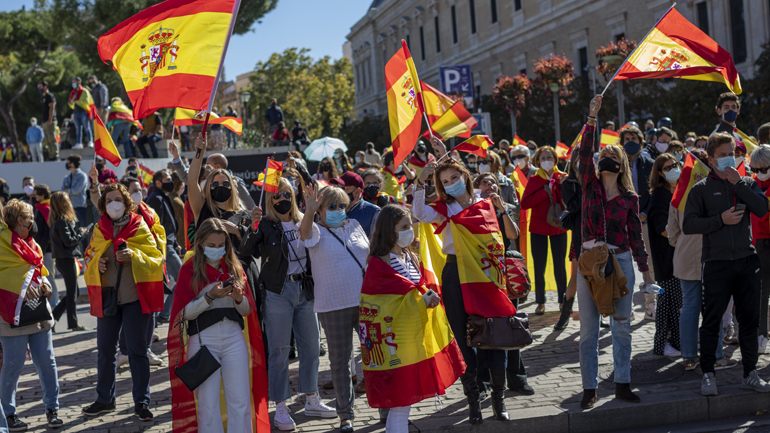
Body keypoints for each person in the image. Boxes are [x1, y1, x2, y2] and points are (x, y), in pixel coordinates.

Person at [413, 147, 514, 425]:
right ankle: (473, 400)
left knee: (493, 333)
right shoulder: (444, 208)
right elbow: (419, 213)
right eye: (444, 182)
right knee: (461, 334)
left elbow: (507, 235)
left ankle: (498, 398)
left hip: (487, 272)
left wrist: (501, 207)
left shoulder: (486, 200)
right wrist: (421, 182)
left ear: (465, 176)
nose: (450, 184)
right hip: (456, 272)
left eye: (454, 177)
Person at [576, 95, 653, 409]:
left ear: (621, 164)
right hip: (590, 263)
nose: (605, 157)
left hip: (620, 261)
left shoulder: (629, 199)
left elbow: (637, 238)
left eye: (612, 154)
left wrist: (646, 274)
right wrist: (592, 118)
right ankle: (589, 388)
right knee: (588, 331)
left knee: (621, 327)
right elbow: (583, 154)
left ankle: (622, 383)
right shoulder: (588, 186)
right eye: (602, 153)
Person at [241, 178, 336, 430]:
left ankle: (311, 398)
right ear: (269, 199)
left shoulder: (304, 218)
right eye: (275, 195)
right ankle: (280, 406)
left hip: (305, 290)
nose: (280, 199)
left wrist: (313, 210)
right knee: (279, 351)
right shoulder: (266, 225)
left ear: (292, 194)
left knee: (312, 348)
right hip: (278, 292)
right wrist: (252, 225)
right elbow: (247, 251)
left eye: (285, 193)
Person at [361, 204, 465, 433]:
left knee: (403, 402)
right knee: (400, 401)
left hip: (413, 337)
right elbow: (381, 304)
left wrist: (426, 297)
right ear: (390, 230)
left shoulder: (408, 255)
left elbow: (413, 290)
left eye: (411, 225)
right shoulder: (380, 263)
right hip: (395, 342)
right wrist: (422, 300)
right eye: (404, 227)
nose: (411, 230)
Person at [683, 132, 770, 395]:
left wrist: (739, 185)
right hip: (716, 263)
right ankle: (708, 373)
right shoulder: (701, 189)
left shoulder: (746, 182)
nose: (727, 160)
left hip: (746, 261)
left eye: (731, 154)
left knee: (749, 321)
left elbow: (762, 209)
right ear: (710, 159)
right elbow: (689, 225)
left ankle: (750, 373)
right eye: (721, 156)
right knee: (711, 321)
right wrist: (720, 219)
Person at [168, 218, 269, 433]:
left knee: (240, 401)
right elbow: (182, 314)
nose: (217, 250)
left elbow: (247, 311)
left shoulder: (235, 266)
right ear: (201, 243)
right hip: (204, 342)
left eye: (221, 245)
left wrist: (239, 298)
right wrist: (209, 297)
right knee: (207, 405)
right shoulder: (189, 269)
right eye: (211, 246)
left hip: (234, 338)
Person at [80, 183, 165, 420]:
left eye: (117, 199)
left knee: (137, 351)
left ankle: (142, 402)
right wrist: (96, 263)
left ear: (126, 203)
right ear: (103, 205)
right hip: (109, 298)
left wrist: (134, 255)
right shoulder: (99, 228)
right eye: (108, 200)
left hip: (135, 298)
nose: (113, 204)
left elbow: (156, 257)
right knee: (106, 351)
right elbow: (87, 257)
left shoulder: (139, 225)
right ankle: (105, 399)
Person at [299, 184, 370, 432]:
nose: (339, 210)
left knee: (375, 356)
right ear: (320, 210)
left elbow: (368, 256)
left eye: (343, 205)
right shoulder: (316, 230)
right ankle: (345, 414)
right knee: (340, 361)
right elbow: (304, 235)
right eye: (332, 206)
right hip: (333, 305)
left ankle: (386, 405)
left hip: (366, 303)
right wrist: (308, 212)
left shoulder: (354, 225)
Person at [668, 148, 736, 371]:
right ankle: (716, 355)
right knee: (711, 307)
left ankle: (689, 357)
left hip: (686, 256)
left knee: (690, 306)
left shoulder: (680, 192)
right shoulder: (709, 191)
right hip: (711, 255)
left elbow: (672, 232)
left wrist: (683, 245)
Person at [0, 200, 63, 431]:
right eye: (29, 216)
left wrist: (44, 283)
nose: (32, 220)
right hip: (11, 315)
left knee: (47, 361)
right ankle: (8, 414)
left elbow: (38, 270)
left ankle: (52, 408)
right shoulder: (2, 243)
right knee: (12, 365)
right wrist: (20, 287)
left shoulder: (32, 243)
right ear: (19, 219)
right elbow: (5, 274)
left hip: (37, 311)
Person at [521, 145, 568, 314]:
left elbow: (569, 202)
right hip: (538, 229)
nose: (546, 161)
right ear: (537, 161)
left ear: (555, 160)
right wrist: (544, 191)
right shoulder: (535, 180)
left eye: (549, 158)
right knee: (539, 266)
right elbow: (525, 204)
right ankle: (540, 301)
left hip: (559, 228)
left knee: (559, 265)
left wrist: (562, 187)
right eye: (543, 158)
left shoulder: (563, 177)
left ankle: (563, 300)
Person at [619, 124, 656, 320]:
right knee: (624, 265)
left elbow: (655, 192)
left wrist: (645, 213)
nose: (630, 142)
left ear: (641, 143)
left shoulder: (649, 165)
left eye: (634, 139)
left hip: (643, 221)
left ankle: (651, 305)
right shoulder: (616, 164)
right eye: (627, 139)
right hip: (621, 222)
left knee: (648, 264)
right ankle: (627, 308)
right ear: (622, 143)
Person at [648, 154, 683, 357]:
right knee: (665, 301)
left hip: (677, 255)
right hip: (666, 258)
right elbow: (662, 227)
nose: (673, 169)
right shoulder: (660, 195)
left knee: (676, 302)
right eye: (667, 168)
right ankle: (662, 344)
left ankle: (676, 341)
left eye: (675, 165)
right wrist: (682, 237)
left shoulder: (678, 191)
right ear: (660, 173)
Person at [169, 141, 256, 209]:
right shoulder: (206, 181)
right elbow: (187, 177)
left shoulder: (236, 182)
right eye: (215, 185)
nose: (205, 167)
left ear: (217, 166)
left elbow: (250, 207)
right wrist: (176, 156)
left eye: (225, 185)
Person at [146, 170, 183, 322]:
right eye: (167, 179)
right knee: (182, 278)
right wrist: (161, 249)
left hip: (169, 246)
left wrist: (175, 243)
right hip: (163, 248)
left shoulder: (162, 197)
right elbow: (155, 226)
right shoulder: (155, 199)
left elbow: (168, 225)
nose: (170, 181)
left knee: (174, 282)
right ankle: (162, 315)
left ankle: (163, 315)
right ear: (158, 183)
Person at [49, 191, 89, 331]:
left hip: (64, 259)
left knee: (74, 292)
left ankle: (53, 318)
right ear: (62, 204)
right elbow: (69, 241)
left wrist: (77, 232)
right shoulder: (61, 221)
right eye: (67, 200)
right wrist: (82, 234)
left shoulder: (58, 221)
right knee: (72, 293)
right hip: (66, 259)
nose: (70, 203)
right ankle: (72, 323)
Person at [556, 150, 583, 330]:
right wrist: (585, 188)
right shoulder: (569, 182)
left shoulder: (598, 181)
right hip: (579, 235)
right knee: (576, 275)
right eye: (580, 159)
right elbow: (572, 206)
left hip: (597, 234)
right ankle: (565, 314)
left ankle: (597, 313)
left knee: (596, 275)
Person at [751, 145, 770, 354]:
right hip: (759, 242)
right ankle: (761, 334)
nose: (760, 173)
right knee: (762, 291)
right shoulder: (751, 184)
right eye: (756, 169)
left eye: (764, 168)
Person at [32, 185, 60, 308]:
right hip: (42, 250)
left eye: (35, 194)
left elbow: (48, 234)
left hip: (46, 251)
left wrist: (41, 249)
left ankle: (54, 302)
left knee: (49, 277)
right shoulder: (41, 208)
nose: (33, 196)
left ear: (42, 196)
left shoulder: (46, 209)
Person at [331, 172, 381, 238]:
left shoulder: (374, 212)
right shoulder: (331, 209)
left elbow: (378, 243)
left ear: (357, 191)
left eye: (344, 188)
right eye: (338, 188)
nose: (340, 192)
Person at [67, 77, 94, 149]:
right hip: (76, 113)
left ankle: (90, 142)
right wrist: (73, 100)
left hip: (83, 112)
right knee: (78, 129)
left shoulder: (84, 91)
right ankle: (79, 143)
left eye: (74, 82)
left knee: (87, 127)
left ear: (79, 82)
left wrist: (75, 101)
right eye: (73, 82)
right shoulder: (73, 92)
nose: (73, 83)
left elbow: (86, 101)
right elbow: (70, 102)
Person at [169, 172, 186, 253]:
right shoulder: (178, 203)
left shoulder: (168, 198)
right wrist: (183, 246)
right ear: (181, 185)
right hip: (178, 247)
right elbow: (180, 227)